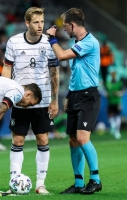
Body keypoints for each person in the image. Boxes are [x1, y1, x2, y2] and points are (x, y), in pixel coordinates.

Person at [2, 7, 60, 194]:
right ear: (27, 23)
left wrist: (55, 100)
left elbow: (54, 73)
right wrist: (6, 93)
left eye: (42, 22)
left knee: (42, 139)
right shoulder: (14, 42)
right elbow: (7, 68)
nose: (40, 25)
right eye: (36, 22)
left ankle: (40, 184)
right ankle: (13, 183)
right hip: (19, 100)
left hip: (42, 101)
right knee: (18, 140)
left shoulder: (49, 43)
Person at [46, 8, 102, 195]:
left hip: (88, 96)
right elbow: (76, 73)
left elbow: (61, 55)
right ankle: (78, 183)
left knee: (82, 138)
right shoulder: (77, 43)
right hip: (76, 95)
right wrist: (69, 95)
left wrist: (52, 39)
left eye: (65, 28)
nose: (64, 31)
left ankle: (95, 179)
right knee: (72, 140)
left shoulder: (90, 42)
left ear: (72, 25)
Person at [106, 71, 123, 139]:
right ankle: (113, 125)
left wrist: (118, 93)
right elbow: (106, 92)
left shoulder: (119, 83)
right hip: (110, 101)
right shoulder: (108, 83)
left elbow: (122, 92)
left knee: (117, 116)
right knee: (110, 115)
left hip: (117, 102)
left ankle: (117, 131)